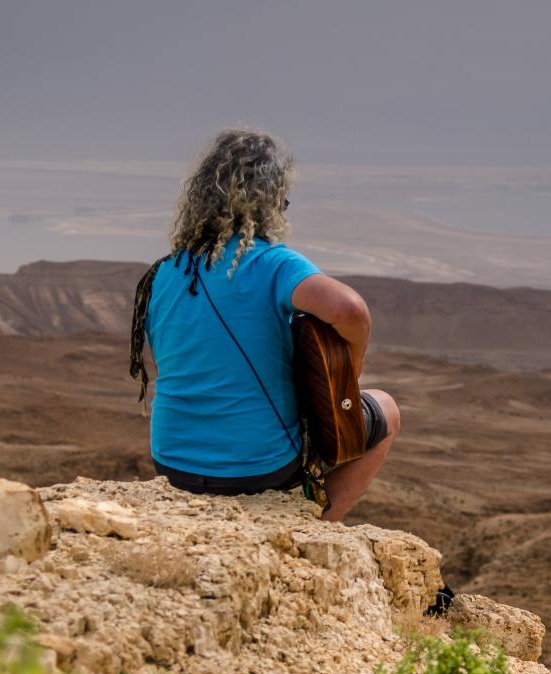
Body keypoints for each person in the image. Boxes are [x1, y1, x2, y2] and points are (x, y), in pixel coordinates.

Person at [134, 127, 398, 522]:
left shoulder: (163, 273)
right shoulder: (270, 263)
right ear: (270, 201)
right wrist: (350, 371)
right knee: (387, 410)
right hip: (257, 469)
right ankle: (319, 525)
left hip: (172, 466)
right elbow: (350, 310)